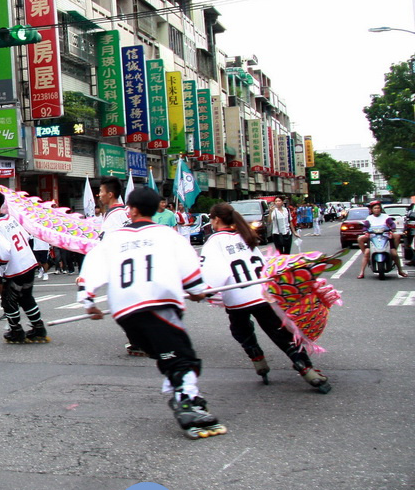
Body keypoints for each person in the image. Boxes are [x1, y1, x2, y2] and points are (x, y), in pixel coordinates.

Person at [77, 186, 226, 439]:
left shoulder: (113, 238)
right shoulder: (168, 236)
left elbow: (90, 269)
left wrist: (88, 301)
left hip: (125, 312)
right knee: (183, 357)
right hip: (156, 303)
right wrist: (198, 290)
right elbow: (191, 274)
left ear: (131, 210)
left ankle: (185, 394)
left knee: (167, 355)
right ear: (157, 208)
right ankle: (188, 404)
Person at [201, 202, 331, 392]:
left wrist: (205, 292)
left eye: (211, 219)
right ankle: (306, 368)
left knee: (241, 330)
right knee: (279, 333)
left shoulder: (214, 241)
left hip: (237, 297)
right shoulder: (245, 236)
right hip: (261, 294)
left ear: (217, 219)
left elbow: (214, 274)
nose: (211, 223)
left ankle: (258, 360)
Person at [0, 190, 49, 344]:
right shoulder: (10, 219)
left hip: (16, 269)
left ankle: (16, 331)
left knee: (9, 300)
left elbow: (3, 253)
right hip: (28, 262)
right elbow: (25, 237)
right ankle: (39, 328)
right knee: (26, 297)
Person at [98, 177, 139, 355]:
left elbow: (105, 245)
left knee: (124, 307)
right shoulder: (125, 212)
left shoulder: (114, 216)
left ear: (110, 194)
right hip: (132, 264)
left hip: (123, 267)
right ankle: (139, 339)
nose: (98, 195)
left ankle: (139, 342)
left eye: (100, 191)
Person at [357, 200, 407, 278]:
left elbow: (392, 224)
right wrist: (365, 231)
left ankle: (400, 270)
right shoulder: (369, 218)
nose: (377, 210)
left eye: (378, 208)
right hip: (373, 237)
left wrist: (392, 229)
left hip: (385, 236)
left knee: (394, 253)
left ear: (380, 209)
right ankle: (362, 272)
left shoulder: (385, 217)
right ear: (372, 210)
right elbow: (365, 226)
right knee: (366, 251)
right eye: (375, 208)